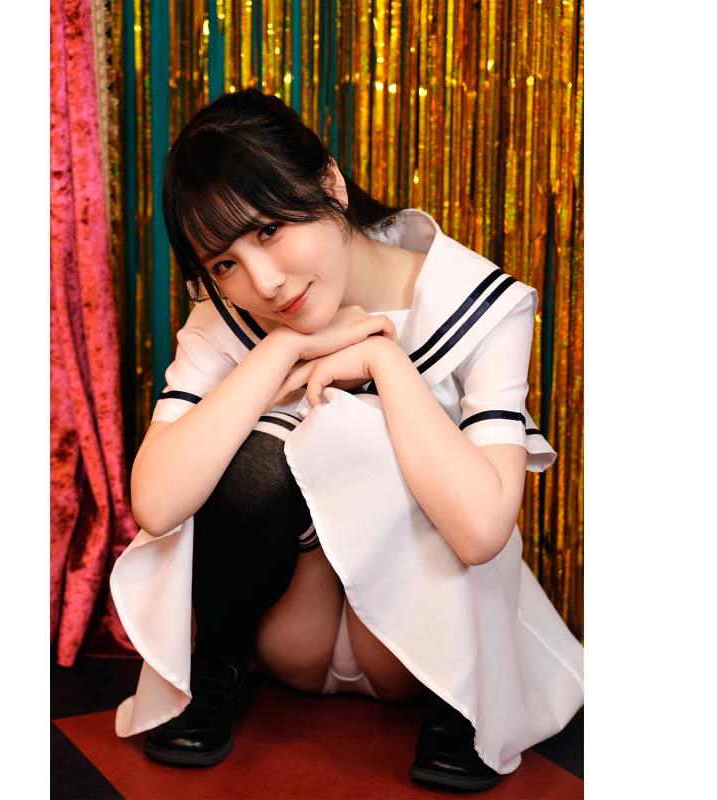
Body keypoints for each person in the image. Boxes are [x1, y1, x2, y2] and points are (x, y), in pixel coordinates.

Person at [110, 87, 584, 792]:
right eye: (224, 263)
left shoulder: (480, 301)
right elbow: (155, 502)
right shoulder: (228, 315)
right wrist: (283, 350)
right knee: (250, 445)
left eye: (269, 229)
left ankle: (461, 712)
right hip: (288, 637)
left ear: (329, 183)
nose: (264, 282)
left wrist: (386, 361)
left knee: (414, 441)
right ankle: (218, 668)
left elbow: (484, 530)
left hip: (421, 653)